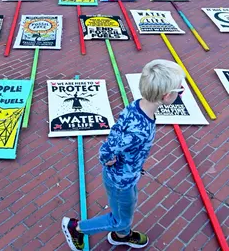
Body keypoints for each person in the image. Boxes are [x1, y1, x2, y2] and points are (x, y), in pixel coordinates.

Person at [61, 59, 185, 250]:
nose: (181, 91)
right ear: (167, 96)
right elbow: (111, 147)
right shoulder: (140, 129)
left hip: (127, 174)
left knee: (128, 205)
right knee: (120, 218)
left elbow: (118, 132)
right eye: (180, 89)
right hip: (121, 180)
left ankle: (122, 236)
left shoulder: (138, 106)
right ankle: (77, 228)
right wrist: (106, 158)